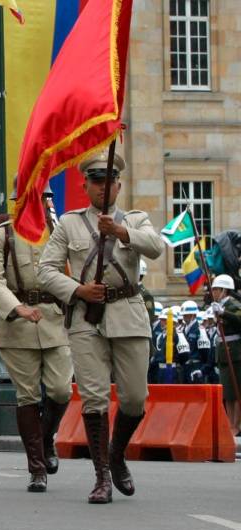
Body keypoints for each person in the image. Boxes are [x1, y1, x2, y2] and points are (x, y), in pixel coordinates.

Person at [38, 150, 162, 504]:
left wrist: (122, 232)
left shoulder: (136, 219)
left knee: (135, 398)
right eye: (96, 181)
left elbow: (155, 247)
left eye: (109, 182)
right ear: (86, 186)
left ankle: (117, 452)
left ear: (119, 186)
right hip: (87, 319)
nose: (102, 188)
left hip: (128, 313)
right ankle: (102, 476)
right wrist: (77, 289)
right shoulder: (70, 224)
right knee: (93, 397)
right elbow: (46, 270)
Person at [0, 193, 73, 492]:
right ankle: (36, 467)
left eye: (43, 198)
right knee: (27, 396)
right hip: (17, 324)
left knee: (61, 389)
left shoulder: (60, 230)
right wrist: (15, 307)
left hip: (55, 319)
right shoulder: (3, 234)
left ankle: (46, 439)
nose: (39, 204)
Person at [208, 275, 241, 434]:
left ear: (224, 290)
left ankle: (236, 425)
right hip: (222, 349)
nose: (213, 292)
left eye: (216, 289)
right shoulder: (217, 305)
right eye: (213, 289)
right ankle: (229, 423)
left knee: (237, 390)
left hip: (235, 351)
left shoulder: (233, 304)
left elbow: (239, 320)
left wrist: (224, 313)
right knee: (227, 391)